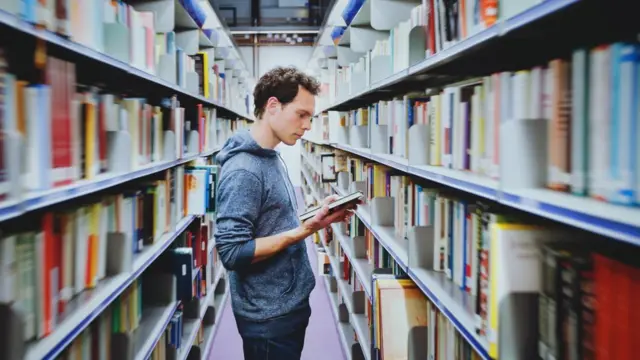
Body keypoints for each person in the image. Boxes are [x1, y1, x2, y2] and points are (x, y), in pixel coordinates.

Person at [214, 66, 358, 360]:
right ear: (273, 106)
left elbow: (271, 222)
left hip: (286, 302)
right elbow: (232, 252)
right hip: (268, 317)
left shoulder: (270, 155)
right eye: (301, 114)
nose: (307, 126)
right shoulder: (244, 170)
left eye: (311, 117)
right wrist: (304, 231)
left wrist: (318, 217)